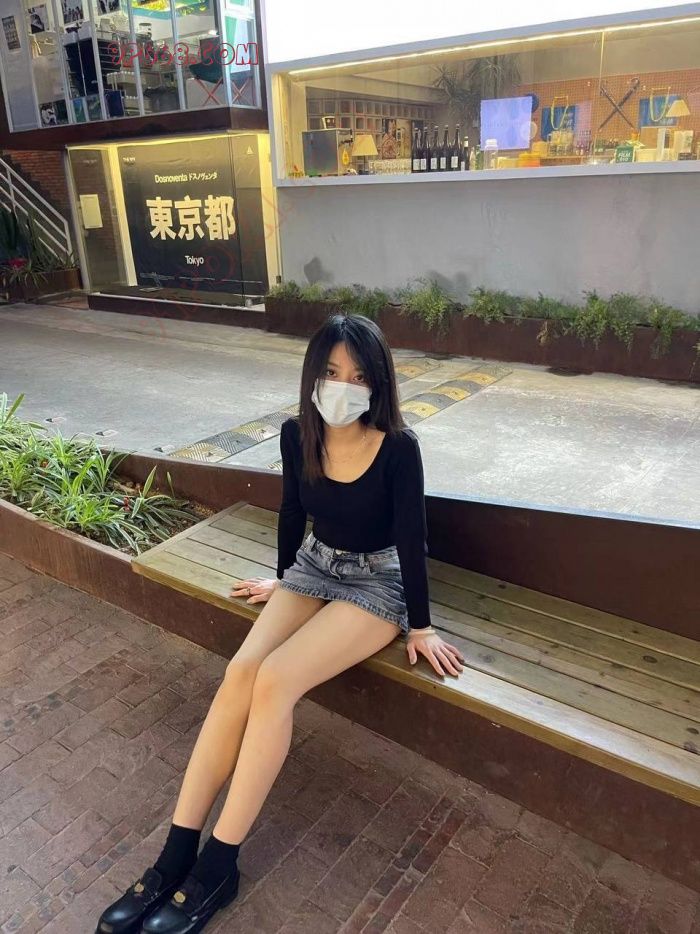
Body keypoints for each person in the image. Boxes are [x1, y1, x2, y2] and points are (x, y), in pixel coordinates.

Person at [96, 312, 465, 934]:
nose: (344, 386)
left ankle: (219, 865)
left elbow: (412, 538)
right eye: (332, 372)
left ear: (378, 383)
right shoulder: (298, 435)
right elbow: (293, 513)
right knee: (241, 672)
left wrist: (421, 625)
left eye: (359, 376)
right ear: (313, 375)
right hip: (315, 566)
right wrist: (284, 579)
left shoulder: (399, 448)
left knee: (275, 679)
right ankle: (176, 853)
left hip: (378, 582)